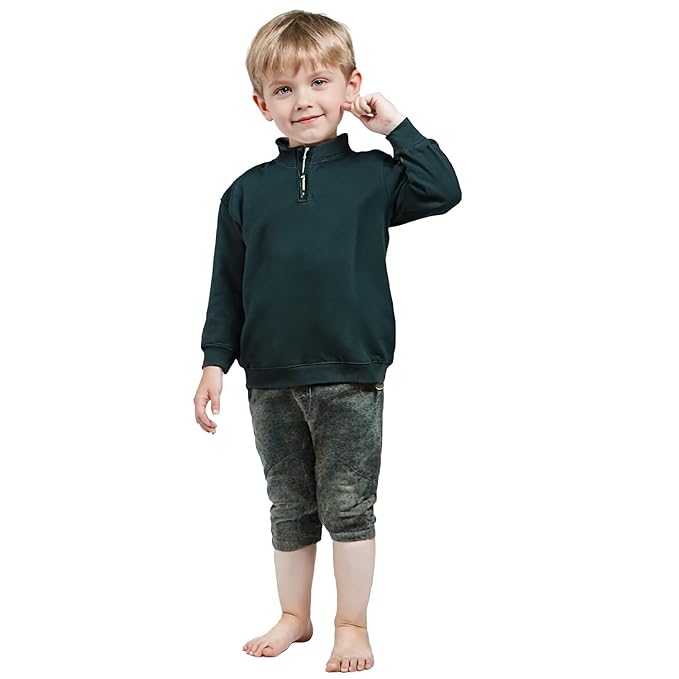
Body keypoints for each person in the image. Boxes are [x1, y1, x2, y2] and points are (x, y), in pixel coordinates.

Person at [193, 9, 461, 673]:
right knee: (288, 505)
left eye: (319, 82)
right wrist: (213, 362)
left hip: (350, 373)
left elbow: (443, 189)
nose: (303, 100)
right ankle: (295, 614)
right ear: (262, 104)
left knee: (347, 504)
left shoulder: (376, 176)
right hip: (270, 379)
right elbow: (226, 285)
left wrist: (394, 127)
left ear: (350, 87)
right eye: (284, 89)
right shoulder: (244, 193)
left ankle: (351, 622)